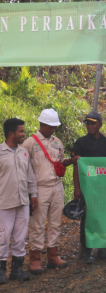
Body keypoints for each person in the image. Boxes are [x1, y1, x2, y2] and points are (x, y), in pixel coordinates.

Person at [22, 109, 77, 274]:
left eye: (54, 126)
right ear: (42, 124)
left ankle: (53, 255)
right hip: (40, 188)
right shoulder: (29, 143)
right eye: (51, 126)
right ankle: (35, 258)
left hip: (57, 186)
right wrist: (30, 193)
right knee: (37, 224)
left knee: (55, 222)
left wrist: (70, 161)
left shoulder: (57, 142)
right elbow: (24, 169)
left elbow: (60, 161)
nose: (53, 129)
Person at [71, 112, 106, 264]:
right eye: (88, 123)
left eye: (93, 123)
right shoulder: (81, 143)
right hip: (87, 189)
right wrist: (77, 189)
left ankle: (102, 248)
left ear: (100, 125)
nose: (90, 126)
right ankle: (87, 250)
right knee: (87, 219)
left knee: (103, 217)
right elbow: (76, 167)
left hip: (103, 188)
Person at [0, 118, 37, 284]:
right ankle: (1, 272)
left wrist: (33, 194)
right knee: (3, 237)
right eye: (21, 131)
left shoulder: (24, 152)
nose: (23, 134)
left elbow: (30, 176)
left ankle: (16, 270)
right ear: (11, 133)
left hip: (23, 202)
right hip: (4, 203)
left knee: (21, 237)